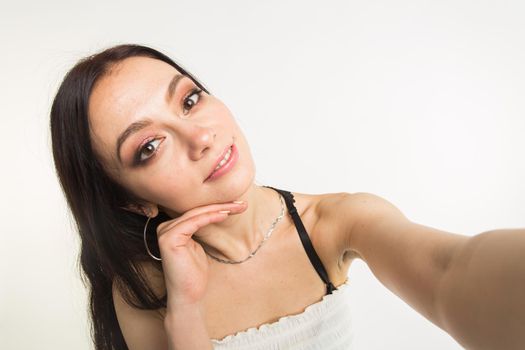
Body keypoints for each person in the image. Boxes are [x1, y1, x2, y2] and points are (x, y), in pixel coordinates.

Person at [50, 44, 525, 350]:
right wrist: (187, 310)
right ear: (131, 202)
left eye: (190, 100)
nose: (201, 138)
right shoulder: (146, 287)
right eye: (150, 147)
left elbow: (451, 271)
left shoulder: (336, 221)